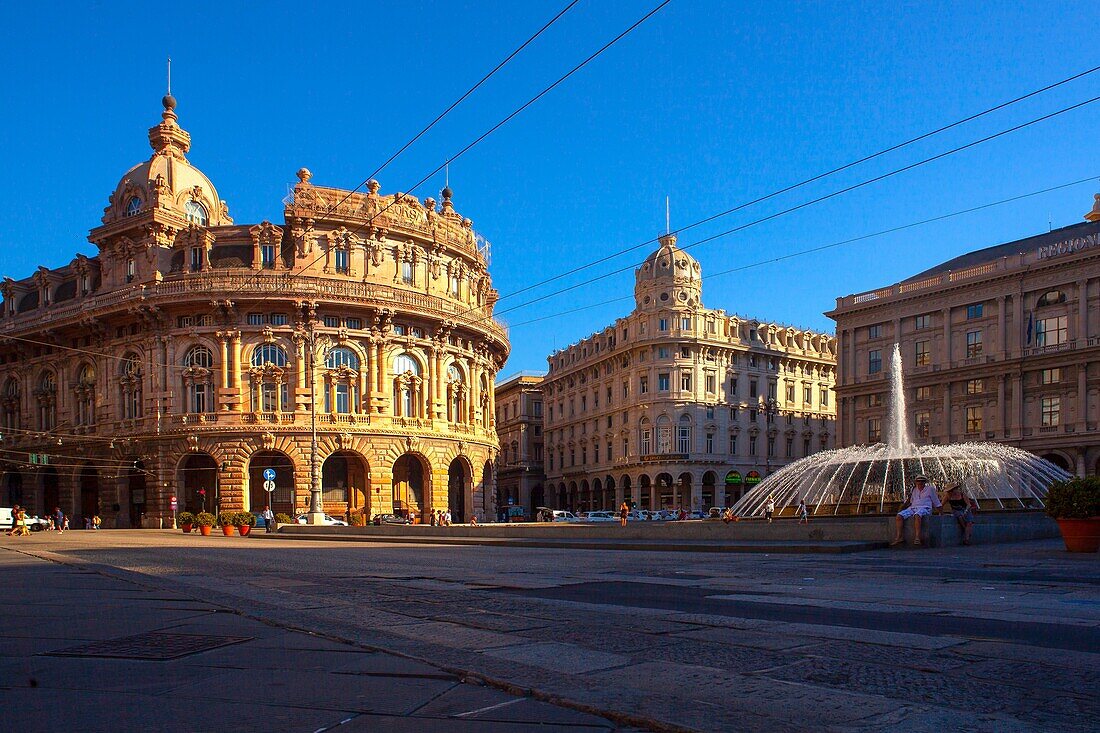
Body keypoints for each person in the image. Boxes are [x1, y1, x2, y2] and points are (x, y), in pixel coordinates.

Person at [892, 475, 942, 547]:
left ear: (924, 482)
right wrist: (904, 507)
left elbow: (936, 501)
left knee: (917, 515)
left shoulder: (930, 489)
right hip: (913, 508)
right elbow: (911, 501)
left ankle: (917, 537)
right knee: (899, 516)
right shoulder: (914, 490)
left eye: (921, 481)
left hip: (925, 508)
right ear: (916, 482)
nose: (920, 483)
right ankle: (899, 537)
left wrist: (941, 512)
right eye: (918, 481)